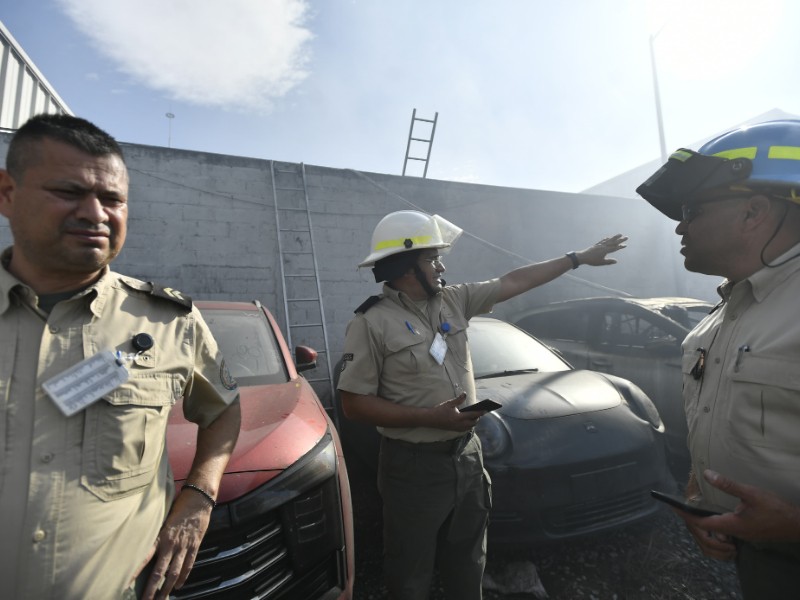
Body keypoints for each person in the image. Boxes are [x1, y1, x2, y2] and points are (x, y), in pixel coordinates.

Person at [0, 113, 242, 600]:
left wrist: (199, 496)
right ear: (6, 193)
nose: (95, 214)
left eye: (112, 199)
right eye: (68, 192)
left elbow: (224, 410)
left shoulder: (169, 321)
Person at [337, 209, 626, 599]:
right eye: (432, 258)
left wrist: (576, 258)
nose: (440, 266)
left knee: (469, 559)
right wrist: (429, 418)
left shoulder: (453, 301)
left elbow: (514, 281)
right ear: (407, 265)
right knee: (409, 571)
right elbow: (354, 405)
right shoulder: (371, 322)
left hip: (467, 457)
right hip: (412, 467)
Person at [636, 119, 800, 599]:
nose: (680, 226)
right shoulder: (720, 316)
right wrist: (699, 499)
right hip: (757, 560)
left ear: (753, 211)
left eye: (692, 210)